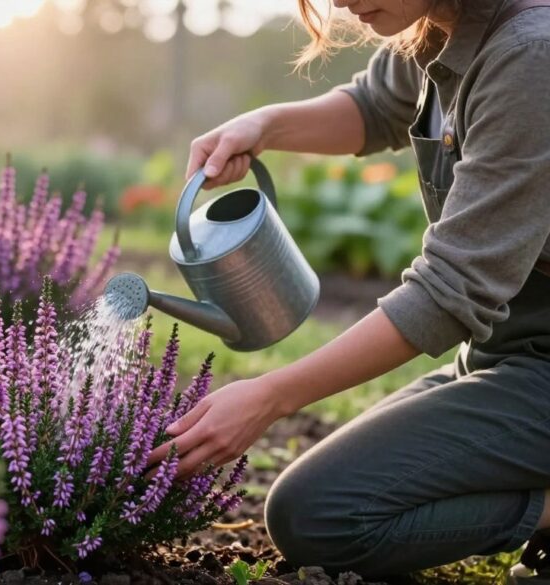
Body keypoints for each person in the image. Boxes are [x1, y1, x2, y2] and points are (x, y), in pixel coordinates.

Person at [147, 0, 550, 580]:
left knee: (319, 516)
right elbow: (374, 107)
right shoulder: (440, 29)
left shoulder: (529, 57)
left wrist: (271, 396)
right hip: (506, 358)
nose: (336, 3)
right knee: (325, 503)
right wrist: (262, 126)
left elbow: (451, 289)